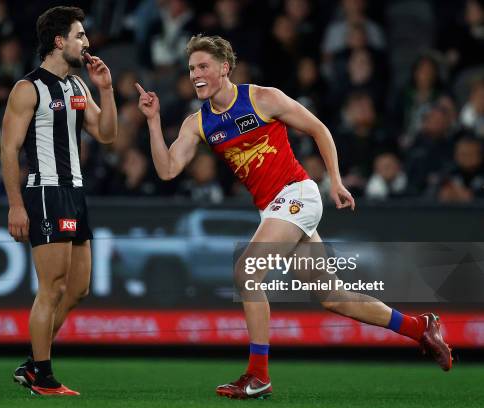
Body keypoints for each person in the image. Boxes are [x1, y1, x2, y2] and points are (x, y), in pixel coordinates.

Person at [135, 34, 452, 400]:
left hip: (297, 194)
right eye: (191, 69)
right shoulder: (198, 122)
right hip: (274, 208)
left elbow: (319, 128)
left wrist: (335, 180)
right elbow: (168, 169)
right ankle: (420, 328)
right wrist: (154, 121)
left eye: (203, 66)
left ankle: (258, 375)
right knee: (331, 295)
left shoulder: (262, 98)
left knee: (246, 272)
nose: (196, 74)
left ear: (224, 68)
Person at [1, 6, 117, 396]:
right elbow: (8, 149)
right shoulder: (28, 88)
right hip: (45, 192)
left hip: (75, 191)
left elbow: (106, 134)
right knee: (51, 287)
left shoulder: (79, 87)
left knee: (79, 288)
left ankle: (34, 363)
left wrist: (106, 88)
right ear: (59, 41)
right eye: (80, 35)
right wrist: (16, 205)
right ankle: (42, 375)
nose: (86, 43)